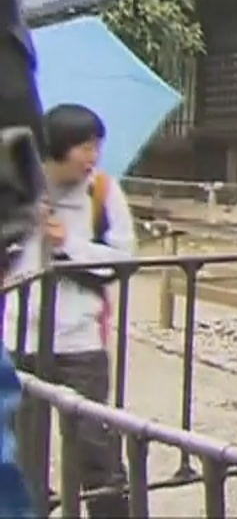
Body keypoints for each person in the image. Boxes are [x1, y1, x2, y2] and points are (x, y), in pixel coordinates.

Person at [5, 104, 132, 518]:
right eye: (85, 146)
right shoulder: (15, 190)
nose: (94, 156)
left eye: (98, 146)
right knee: (24, 450)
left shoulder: (104, 192)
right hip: (20, 339)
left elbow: (124, 260)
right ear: (58, 147)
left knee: (96, 447)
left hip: (81, 343)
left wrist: (67, 245)